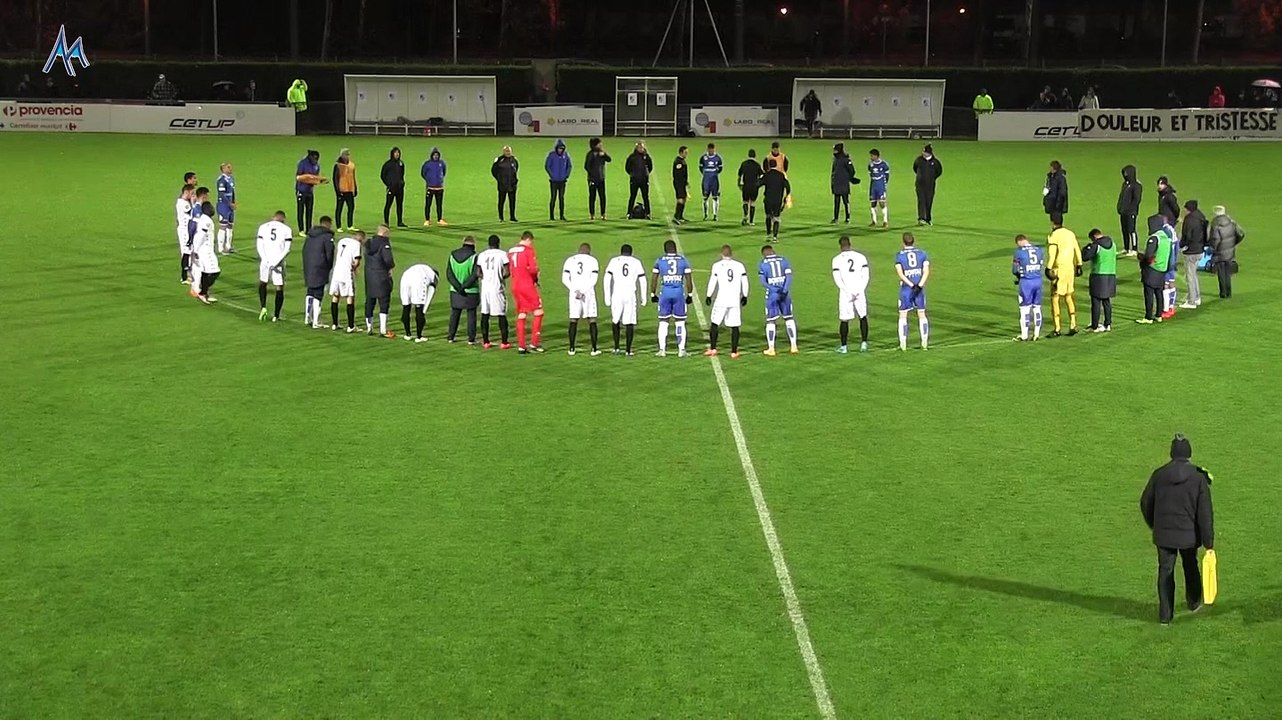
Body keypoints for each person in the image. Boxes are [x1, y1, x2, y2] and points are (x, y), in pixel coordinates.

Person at [1140, 434, 1215, 625]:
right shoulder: (1198, 478)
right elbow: (1205, 514)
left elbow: (1145, 502)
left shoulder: (1159, 475)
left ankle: (1165, 615)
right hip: (1189, 535)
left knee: (1165, 571)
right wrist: (1208, 543)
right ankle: (1193, 602)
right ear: (1189, 453)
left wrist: (1154, 525)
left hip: (1164, 534)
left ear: (1172, 453)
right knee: (1190, 566)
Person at [650, 240, 694, 357]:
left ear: (665, 250)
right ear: (675, 249)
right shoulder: (683, 260)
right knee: (680, 322)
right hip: (678, 293)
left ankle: (662, 350)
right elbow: (689, 279)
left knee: (663, 322)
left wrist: (652, 294)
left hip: (665, 293)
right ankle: (681, 350)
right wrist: (690, 294)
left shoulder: (660, 261)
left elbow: (654, 278)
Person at [603, 244, 647, 356]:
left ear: (621, 252)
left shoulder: (614, 261)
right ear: (631, 252)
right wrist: (643, 297)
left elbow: (607, 278)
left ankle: (616, 347)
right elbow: (642, 279)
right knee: (629, 322)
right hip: (630, 294)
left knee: (615, 319)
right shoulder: (636, 262)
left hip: (617, 293)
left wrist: (607, 297)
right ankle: (628, 350)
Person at [831, 236, 870, 353]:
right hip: (859, 290)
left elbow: (837, 278)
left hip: (846, 292)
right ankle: (864, 343)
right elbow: (866, 275)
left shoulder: (836, 259)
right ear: (850, 244)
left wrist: (846, 290)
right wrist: (860, 289)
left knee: (844, 319)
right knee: (862, 316)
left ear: (840, 246)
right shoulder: (861, 257)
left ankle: (844, 346)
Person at [561, 243, 601, 356]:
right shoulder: (593, 261)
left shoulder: (570, 260)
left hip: (574, 293)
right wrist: (583, 291)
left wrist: (575, 290)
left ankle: (571, 348)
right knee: (592, 319)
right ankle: (594, 349)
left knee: (573, 319)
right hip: (588, 293)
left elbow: (564, 279)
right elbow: (594, 279)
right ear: (589, 251)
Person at [1045, 214, 1082, 337]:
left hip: (1058, 269)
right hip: (1069, 269)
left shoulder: (1054, 236)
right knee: (1068, 296)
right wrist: (1079, 264)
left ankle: (1057, 328)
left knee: (1055, 298)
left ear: (1052, 222)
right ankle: (1073, 324)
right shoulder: (1070, 233)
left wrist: (1048, 268)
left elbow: (1052, 254)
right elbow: (1077, 249)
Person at [758, 245, 798, 356]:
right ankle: (793, 346)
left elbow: (763, 282)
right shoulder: (784, 260)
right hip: (785, 294)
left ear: (764, 254)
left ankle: (771, 348)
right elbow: (789, 276)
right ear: (773, 251)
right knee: (789, 318)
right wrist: (784, 289)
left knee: (771, 320)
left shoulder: (763, 263)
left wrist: (774, 289)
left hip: (772, 294)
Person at [508, 231, 544, 353]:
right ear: (528, 240)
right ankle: (534, 343)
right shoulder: (528, 250)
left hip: (515, 285)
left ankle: (521, 346)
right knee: (538, 312)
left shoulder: (511, 251)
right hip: (526, 284)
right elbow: (533, 269)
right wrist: (536, 278)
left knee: (522, 313)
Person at [255, 211, 293, 322]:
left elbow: (259, 245)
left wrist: (264, 258)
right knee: (279, 287)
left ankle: (263, 307)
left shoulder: (263, 227)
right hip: (278, 262)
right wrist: (276, 261)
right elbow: (287, 249)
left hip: (265, 260)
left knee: (263, 282)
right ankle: (276, 315)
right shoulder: (286, 230)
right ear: (283, 219)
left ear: (273, 217)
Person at [894, 233, 930, 351]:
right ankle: (924, 343)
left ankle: (903, 345)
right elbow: (926, 271)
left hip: (906, 289)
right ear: (913, 241)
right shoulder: (922, 253)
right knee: (922, 314)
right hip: (919, 289)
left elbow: (900, 273)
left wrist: (911, 285)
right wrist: (919, 286)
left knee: (903, 315)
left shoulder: (899, 256)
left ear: (903, 242)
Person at [476, 235, 512, 349]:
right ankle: (504, 342)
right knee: (501, 314)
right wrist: (499, 277)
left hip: (485, 288)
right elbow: (507, 272)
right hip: (497, 287)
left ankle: (486, 341)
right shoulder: (502, 254)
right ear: (498, 243)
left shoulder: (482, 255)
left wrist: (486, 277)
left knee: (485, 314)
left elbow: (478, 273)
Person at [1137, 214, 1173, 324]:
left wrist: (1140, 257)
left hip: (1152, 269)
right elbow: (1170, 255)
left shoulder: (1154, 238)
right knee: (1159, 292)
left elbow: (1148, 255)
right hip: (1162, 268)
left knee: (1149, 294)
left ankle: (1148, 317)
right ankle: (1158, 315)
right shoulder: (1166, 238)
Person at [301, 216, 336, 328]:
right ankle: (316, 321)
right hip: (321, 267)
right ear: (329, 224)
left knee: (310, 291)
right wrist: (329, 266)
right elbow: (329, 254)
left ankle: (307, 317)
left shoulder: (310, 235)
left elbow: (304, 250)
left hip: (309, 265)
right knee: (318, 293)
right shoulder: (327, 236)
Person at [445, 236, 480, 344]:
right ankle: (471, 338)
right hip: (471, 290)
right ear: (473, 245)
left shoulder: (452, 255)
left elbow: (449, 274)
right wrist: (465, 286)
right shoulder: (474, 257)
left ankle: (451, 336)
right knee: (471, 315)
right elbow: (475, 274)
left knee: (455, 314)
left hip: (455, 290)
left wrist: (458, 287)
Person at [363, 224, 396, 338]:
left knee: (370, 301)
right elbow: (388, 260)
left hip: (369, 276)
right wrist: (391, 267)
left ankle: (369, 327)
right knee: (384, 302)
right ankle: (383, 329)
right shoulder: (384, 244)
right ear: (385, 233)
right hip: (382, 276)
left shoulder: (369, 243)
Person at [1081, 229, 1117, 333]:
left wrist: (1087, 247)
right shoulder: (1113, 244)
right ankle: (1108, 324)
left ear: (1094, 237)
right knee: (1106, 301)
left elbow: (1085, 257)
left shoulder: (1096, 246)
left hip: (1098, 275)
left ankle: (1095, 326)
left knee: (1096, 301)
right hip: (1111, 275)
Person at [1011, 234, 1045, 342]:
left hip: (1026, 283)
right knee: (1037, 307)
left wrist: (1018, 277)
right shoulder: (1039, 250)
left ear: (1019, 242)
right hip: (1038, 281)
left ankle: (1024, 335)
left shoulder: (1019, 252)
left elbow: (1015, 270)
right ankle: (1036, 334)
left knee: (1025, 309)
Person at [328, 230, 363, 332]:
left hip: (336, 271)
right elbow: (356, 262)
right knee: (350, 297)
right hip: (346, 273)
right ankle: (350, 326)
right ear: (361, 239)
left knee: (335, 296)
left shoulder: (342, 241)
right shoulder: (357, 244)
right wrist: (355, 269)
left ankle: (334, 324)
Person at [1207, 205, 1244, 300]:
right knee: (1227, 272)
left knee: (1221, 273)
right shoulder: (1231, 222)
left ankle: (1223, 293)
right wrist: (1233, 244)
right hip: (1230, 252)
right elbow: (1241, 234)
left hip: (1219, 252)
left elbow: (1216, 239)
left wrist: (1212, 248)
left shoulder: (1215, 224)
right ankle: (1229, 292)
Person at [399, 262, 439, 343]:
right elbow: (430, 294)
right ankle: (419, 337)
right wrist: (423, 312)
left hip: (405, 276)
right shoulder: (434, 277)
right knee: (419, 309)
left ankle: (407, 334)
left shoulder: (425, 268)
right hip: (419, 278)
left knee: (406, 307)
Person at [1179, 200, 1208, 310]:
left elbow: (1187, 235)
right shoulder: (1201, 216)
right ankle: (1197, 297)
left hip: (1191, 251)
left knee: (1190, 276)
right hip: (1200, 250)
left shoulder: (1189, 220)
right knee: (1194, 275)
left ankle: (1192, 301)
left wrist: (1182, 246)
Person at [191, 202, 220, 304]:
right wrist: (195, 250)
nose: (212, 209)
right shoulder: (206, 221)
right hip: (205, 251)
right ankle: (202, 292)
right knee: (214, 272)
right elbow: (200, 236)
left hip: (206, 250)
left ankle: (204, 292)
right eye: (210, 207)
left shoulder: (204, 219)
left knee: (207, 272)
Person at [294, 149, 327, 236]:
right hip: (301, 190)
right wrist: (310, 178)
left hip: (310, 191)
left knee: (309, 210)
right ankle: (301, 229)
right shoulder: (302, 164)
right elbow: (298, 177)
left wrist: (320, 181)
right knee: (301, 210)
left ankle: (309, 229)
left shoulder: (316, 166)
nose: (316, 160)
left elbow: (315, 178)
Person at [188, 187, 210, 299]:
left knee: (199, 265)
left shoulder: (199, 207)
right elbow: (193, 226)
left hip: (199, 241)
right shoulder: (197, 209)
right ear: (203, 196)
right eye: (207, 196)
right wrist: (191, 241)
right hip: (196, 241)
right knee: (197, 265)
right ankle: (195, 288)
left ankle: (197, 287)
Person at [761, 160, 791, 241]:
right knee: (776, 218)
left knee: (768, 216)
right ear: (776, 165)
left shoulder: (766, 175)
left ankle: (768, 235)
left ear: (769, 166)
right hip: (777, 200)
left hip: (768, 200)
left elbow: (758, 183)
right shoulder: (781, 175)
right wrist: (786, 196)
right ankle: (775, 237)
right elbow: (788, 187)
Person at [912, 145, 942, 226]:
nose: (923, 153)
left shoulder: (935, 162)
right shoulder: (918, 160)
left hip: (930, 186)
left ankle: (928, 219)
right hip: (920, 185)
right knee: (921, 201)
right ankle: (921, 218)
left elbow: (939, 172)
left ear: (929, 153)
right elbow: (915, 168)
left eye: (925, 152)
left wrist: (932, 179)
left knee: (928, 201)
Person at [1117, 165, 1143, 257]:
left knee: (1131, 230)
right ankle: (1126, 248)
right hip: (1123, 212)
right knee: (1124, 230)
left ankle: (1134, 249)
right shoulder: (1125, 184)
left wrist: (1130, 210)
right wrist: (1119, 208)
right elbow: (1122, 197)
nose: (1125, 174)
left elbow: (1136, 200)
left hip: (1131, 212)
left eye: (1126, 173)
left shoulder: (1137, 185)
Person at [830, 143, 859, 225]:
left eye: (835, 150)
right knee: (836, 202)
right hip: (836, 183)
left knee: (846, 202)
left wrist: (848, 178)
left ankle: (847, 217)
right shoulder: (836, 160)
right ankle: (836, 218)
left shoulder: (846, 160)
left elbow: (852, 171)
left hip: (843, 184)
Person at [545, 139, 572, 221]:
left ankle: (561, 215)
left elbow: (569, 166)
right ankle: (551, 216)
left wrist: (566, 175)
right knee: (553, 198)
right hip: (554, 181)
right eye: (559, 148)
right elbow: (547, 166)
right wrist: (552, 175)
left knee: (561, 198)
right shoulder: (551, 155)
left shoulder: (566, 155)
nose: (560, 150)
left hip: (562, 181)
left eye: (562, 148)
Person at [584, 138, 611, 220]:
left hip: (601, 179)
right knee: (592, 197)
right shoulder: (590, 154)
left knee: (602, 197)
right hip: (592, 179)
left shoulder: (602, 153)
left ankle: (603, 214)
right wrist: (592, 175)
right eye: (599, 144)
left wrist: (604, 155)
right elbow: (586, 166)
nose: (601, 145)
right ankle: (592, 214)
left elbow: (609, 160)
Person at [625, 142, 653, 219]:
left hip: (644, 180)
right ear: (636, 148)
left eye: (642, 147)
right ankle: (629, 213)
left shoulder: (646, 157)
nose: (641, 149)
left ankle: (648, 213)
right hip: (634, 180)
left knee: (645, 197)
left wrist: (646, 174)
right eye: (640, 147)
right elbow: (627, 167)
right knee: (632, 197)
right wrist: (632, 174)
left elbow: (650, 167)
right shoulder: (632, 157)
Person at [491, 145, 520, 222]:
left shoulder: (514, 160)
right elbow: (493, 171)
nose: (508, 152)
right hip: (502, 185)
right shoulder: (499, 160)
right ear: (503, 152)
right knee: (501, 201)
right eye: (506, 151)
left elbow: (516, 169)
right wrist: (499, 179)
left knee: (512, 202)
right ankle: (501, 217)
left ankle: (512, 217)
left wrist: (514, 180)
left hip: (512, 185)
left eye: (509, 151)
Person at [332, 148, 358, 232]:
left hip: (350, 189)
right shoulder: (338, 165)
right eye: (346, 154)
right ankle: (339, 226)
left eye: (348, 154)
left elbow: (353, 177)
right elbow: (335, 178)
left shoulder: (352, 165)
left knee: (351, 207)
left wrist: (355, 188)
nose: (347, 156)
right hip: (342, 189)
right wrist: (337, 191)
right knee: (339, 208)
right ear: (342, 155)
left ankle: (350, 225)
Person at [420, 147, 447, 226]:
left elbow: (444, 172)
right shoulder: (427, 164)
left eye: (437, 155)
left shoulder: (442, 163)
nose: (436, 156)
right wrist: (428, 180)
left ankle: (440, 219)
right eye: (434, 155)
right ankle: (427, 220)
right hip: (430, 187)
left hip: (439, 187)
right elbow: (423, 173)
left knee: (439, 205)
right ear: (432, 155)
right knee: (428, 204)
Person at [380, 146, 406, 228]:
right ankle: (386, 222)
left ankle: (400, 222)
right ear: (392, 154)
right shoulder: (387, 164)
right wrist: (388, 184)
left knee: (399, 205)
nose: (397, 154)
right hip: (391, 188)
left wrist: (402, 182)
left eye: (398, 153)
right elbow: (382, 175)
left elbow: (402, 174)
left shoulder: (401, 163)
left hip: (400, 188)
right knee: (388, 205)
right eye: (395, 153)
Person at [215, 162, 238, 254]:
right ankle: (221, 248)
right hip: (223, 206)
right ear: (223, 169)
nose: (230, 169)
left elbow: (232, 192)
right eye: (228, 167)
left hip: (230, 206)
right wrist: (229, 203)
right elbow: (221, 194)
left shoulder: (231, 179)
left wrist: (233, 202)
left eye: (230, 167)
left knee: (230, 226)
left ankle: (228, 246)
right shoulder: (221, 180)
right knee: (223, 226)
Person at [737, 149, 763, 226]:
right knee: (752, 203)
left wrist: (739, 184)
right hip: (754, 187)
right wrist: (759, 184)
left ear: (748, 155)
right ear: (755, 156)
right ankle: (751, 221)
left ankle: (745, 216)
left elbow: (739, 175)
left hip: (746, 186)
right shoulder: (757, 165)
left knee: (745, 202)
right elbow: (762, 175)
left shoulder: (744, 164)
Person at [175, 183, 195, 283]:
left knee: (189, 252)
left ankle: (189, 273)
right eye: (192, 193)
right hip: (184, 231)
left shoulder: (182, 201)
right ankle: (184, 277)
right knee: (186, 252)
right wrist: (193, 202)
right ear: (186, 192)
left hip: (187, 229)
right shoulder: (183, 203)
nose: (193, 195)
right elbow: (192, 213)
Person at [699, 142, 724, 221]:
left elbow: (720, 168)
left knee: (715, 198)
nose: (711, 151)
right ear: (707, 149)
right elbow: (700, 168)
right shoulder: (703, 157)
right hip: (706, 180)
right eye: (710, 150)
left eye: (712, 150)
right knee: (705, 198)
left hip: (714, 181)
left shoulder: (718, 158)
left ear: (714, 149)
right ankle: (705, 215)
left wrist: (714, 173)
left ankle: (715, 215)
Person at [867, 149, 890, 229]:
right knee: (873, 203)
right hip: (873, 186)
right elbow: (870, 174)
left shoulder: (884, 165)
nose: (871, 157)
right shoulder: (870, 165)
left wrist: (884, 184)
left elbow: (887, 176)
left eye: (872, 156)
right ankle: (874, 221)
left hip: (881, 187)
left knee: (882, 203)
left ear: (876, 156)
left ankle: (885, 221)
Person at [671, 145, 690, 224]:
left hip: (682, 183)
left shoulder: (682, 160)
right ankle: (676, 217)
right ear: (681, 152)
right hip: (679, 184)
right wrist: (682, 184)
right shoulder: (678, 161)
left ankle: (680, 216)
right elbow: (678, 175)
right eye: (685, 153)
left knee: (684, 199)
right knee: (680, 200)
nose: (686, 154)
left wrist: (686, 183)